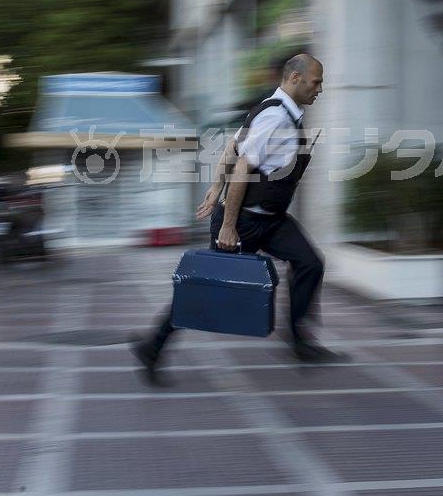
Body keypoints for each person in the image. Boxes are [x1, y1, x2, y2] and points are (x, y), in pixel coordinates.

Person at [132, 54, 344, 384]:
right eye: (316, 81)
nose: (320, 88)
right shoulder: (275, 117)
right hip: (243, 221)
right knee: (208, 289)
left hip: (272, 220)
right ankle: (151, 347)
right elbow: (243, 167)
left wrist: (215, 185)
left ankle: (300, 341)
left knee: (309, 262)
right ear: (295, 79)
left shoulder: (278, 110)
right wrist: (228, 224)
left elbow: (232, 147)